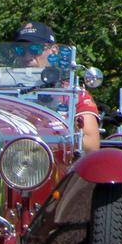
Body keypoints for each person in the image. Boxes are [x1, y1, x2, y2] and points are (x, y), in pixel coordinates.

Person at [11, 21, 101, 152]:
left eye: (35, 48)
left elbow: (91, 144)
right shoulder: (5, 91)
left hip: (56, 163)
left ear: (54, 50)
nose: (27, 56)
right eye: (20, 50)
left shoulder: (72, 93)